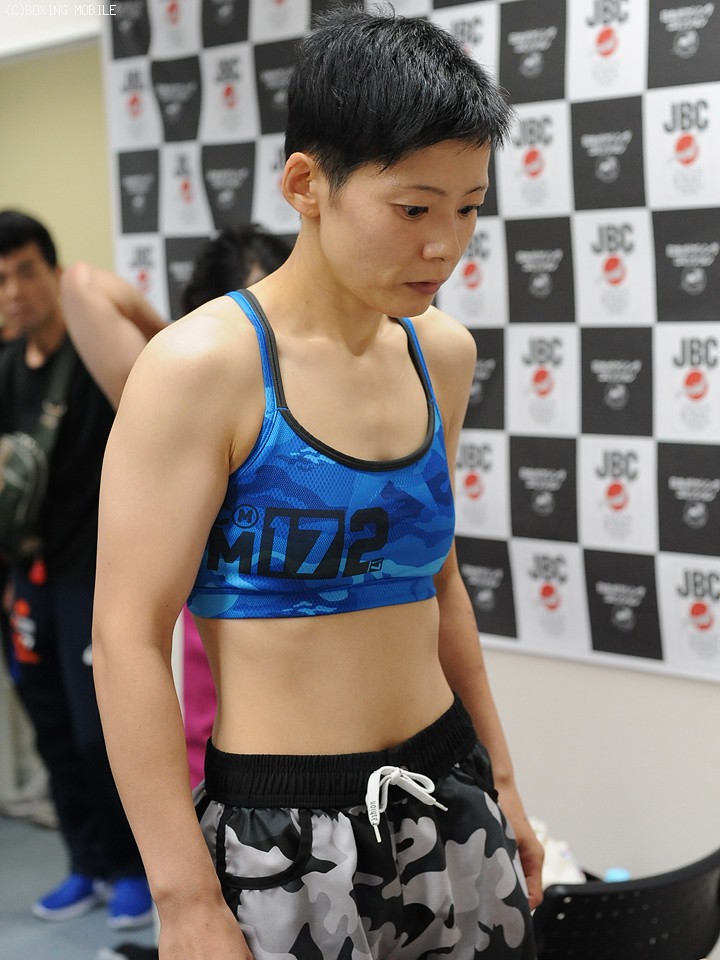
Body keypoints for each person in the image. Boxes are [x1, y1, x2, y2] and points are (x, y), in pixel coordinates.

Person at [93, 9, 543, 960]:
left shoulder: (441, 354)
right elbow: (127, 634)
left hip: (449, 791)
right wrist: (183, 898)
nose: (445, 245)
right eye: (414, 209)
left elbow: (438, 581)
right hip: (283, 829)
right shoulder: (204, 367)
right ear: (306, 184)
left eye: (468, 208)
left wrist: (503, 784)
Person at [61, 223, 292, 792]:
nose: (263, 337)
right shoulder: (182, 405)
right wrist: (180, 340)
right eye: (240, 317)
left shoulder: (338, 396)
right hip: (223, 719)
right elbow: (83, 286)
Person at [0, 210, 155, 928]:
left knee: (101, 734)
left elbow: (158, 354)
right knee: (53, 728)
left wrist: (105, 294)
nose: (14, 291)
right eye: (1, 279)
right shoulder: (6, 368)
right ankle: (86, 864)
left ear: (56, 274)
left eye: (26, 271)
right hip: (27, 579)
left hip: (94, 577)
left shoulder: (93, 353)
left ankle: (134, 868)